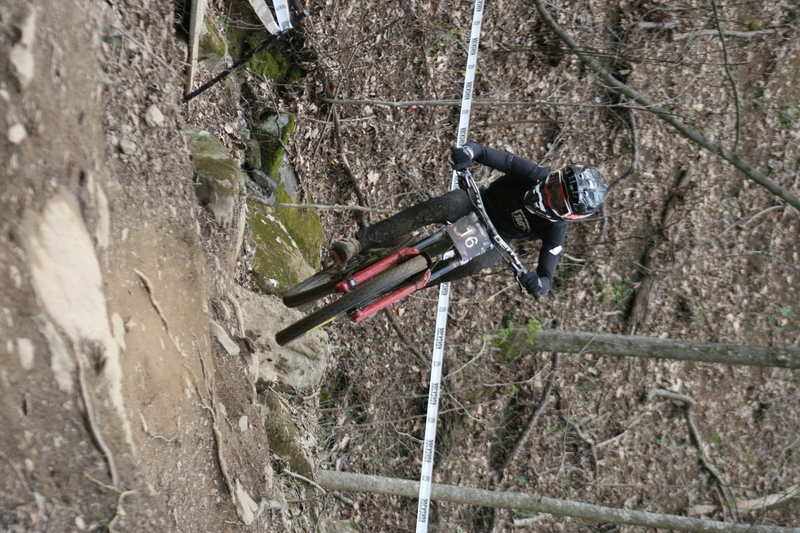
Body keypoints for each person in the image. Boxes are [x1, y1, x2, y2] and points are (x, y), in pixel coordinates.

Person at [330, 141, 607, 298]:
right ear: (554, 173)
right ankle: (357, 244)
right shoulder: (533, 173)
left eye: (557, 201)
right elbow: (487, 154)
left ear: (567, 214)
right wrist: (468, 153)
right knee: (440, 205)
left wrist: (539, 284)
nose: (548, 195)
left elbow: (547, 276)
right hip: (477, 201)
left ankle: (396, 286)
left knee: (474, 264)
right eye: (554, 185)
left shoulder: (556, 230)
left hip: (498, 238)